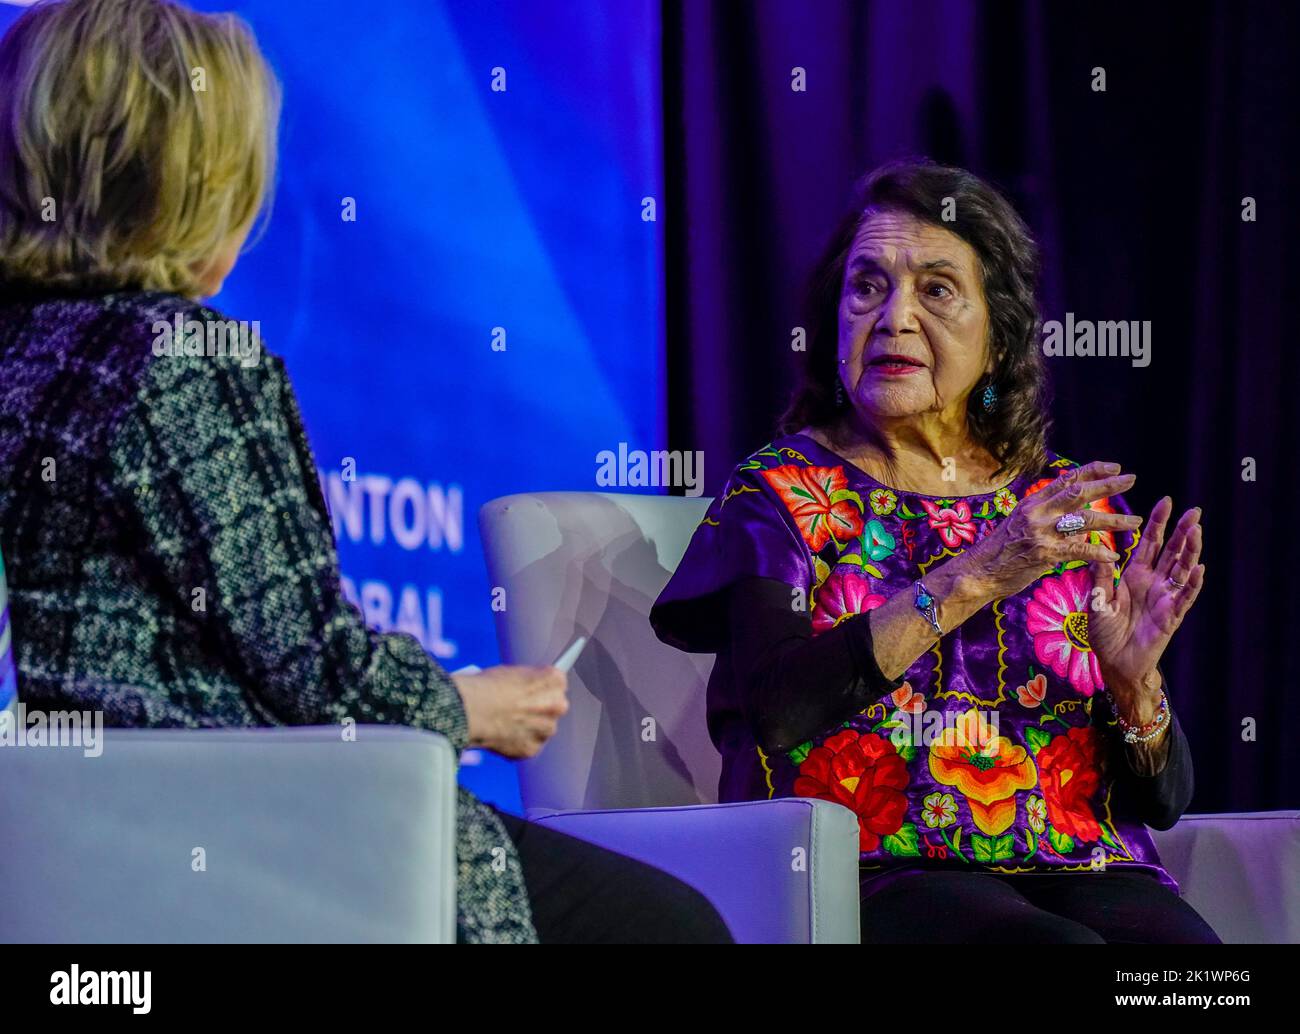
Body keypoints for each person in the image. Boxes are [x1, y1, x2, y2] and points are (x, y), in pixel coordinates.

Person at [0, 0, 730, 945]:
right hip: (265, 843)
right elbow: (319, 673)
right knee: (673, 930)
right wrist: (473, 706)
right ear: (198, 183)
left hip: (76, 863)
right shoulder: (186, 359)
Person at [651, 158, 1221, 943]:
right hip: (874, 871)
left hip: (1087, 865)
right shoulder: (780, 494)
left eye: (938, 289)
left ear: (998, 335)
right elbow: (779, 711)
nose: (894, 317)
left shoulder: (1065, 508)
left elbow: (1165, 801)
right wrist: (981, 571)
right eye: (867, 286)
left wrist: (1134, 685)